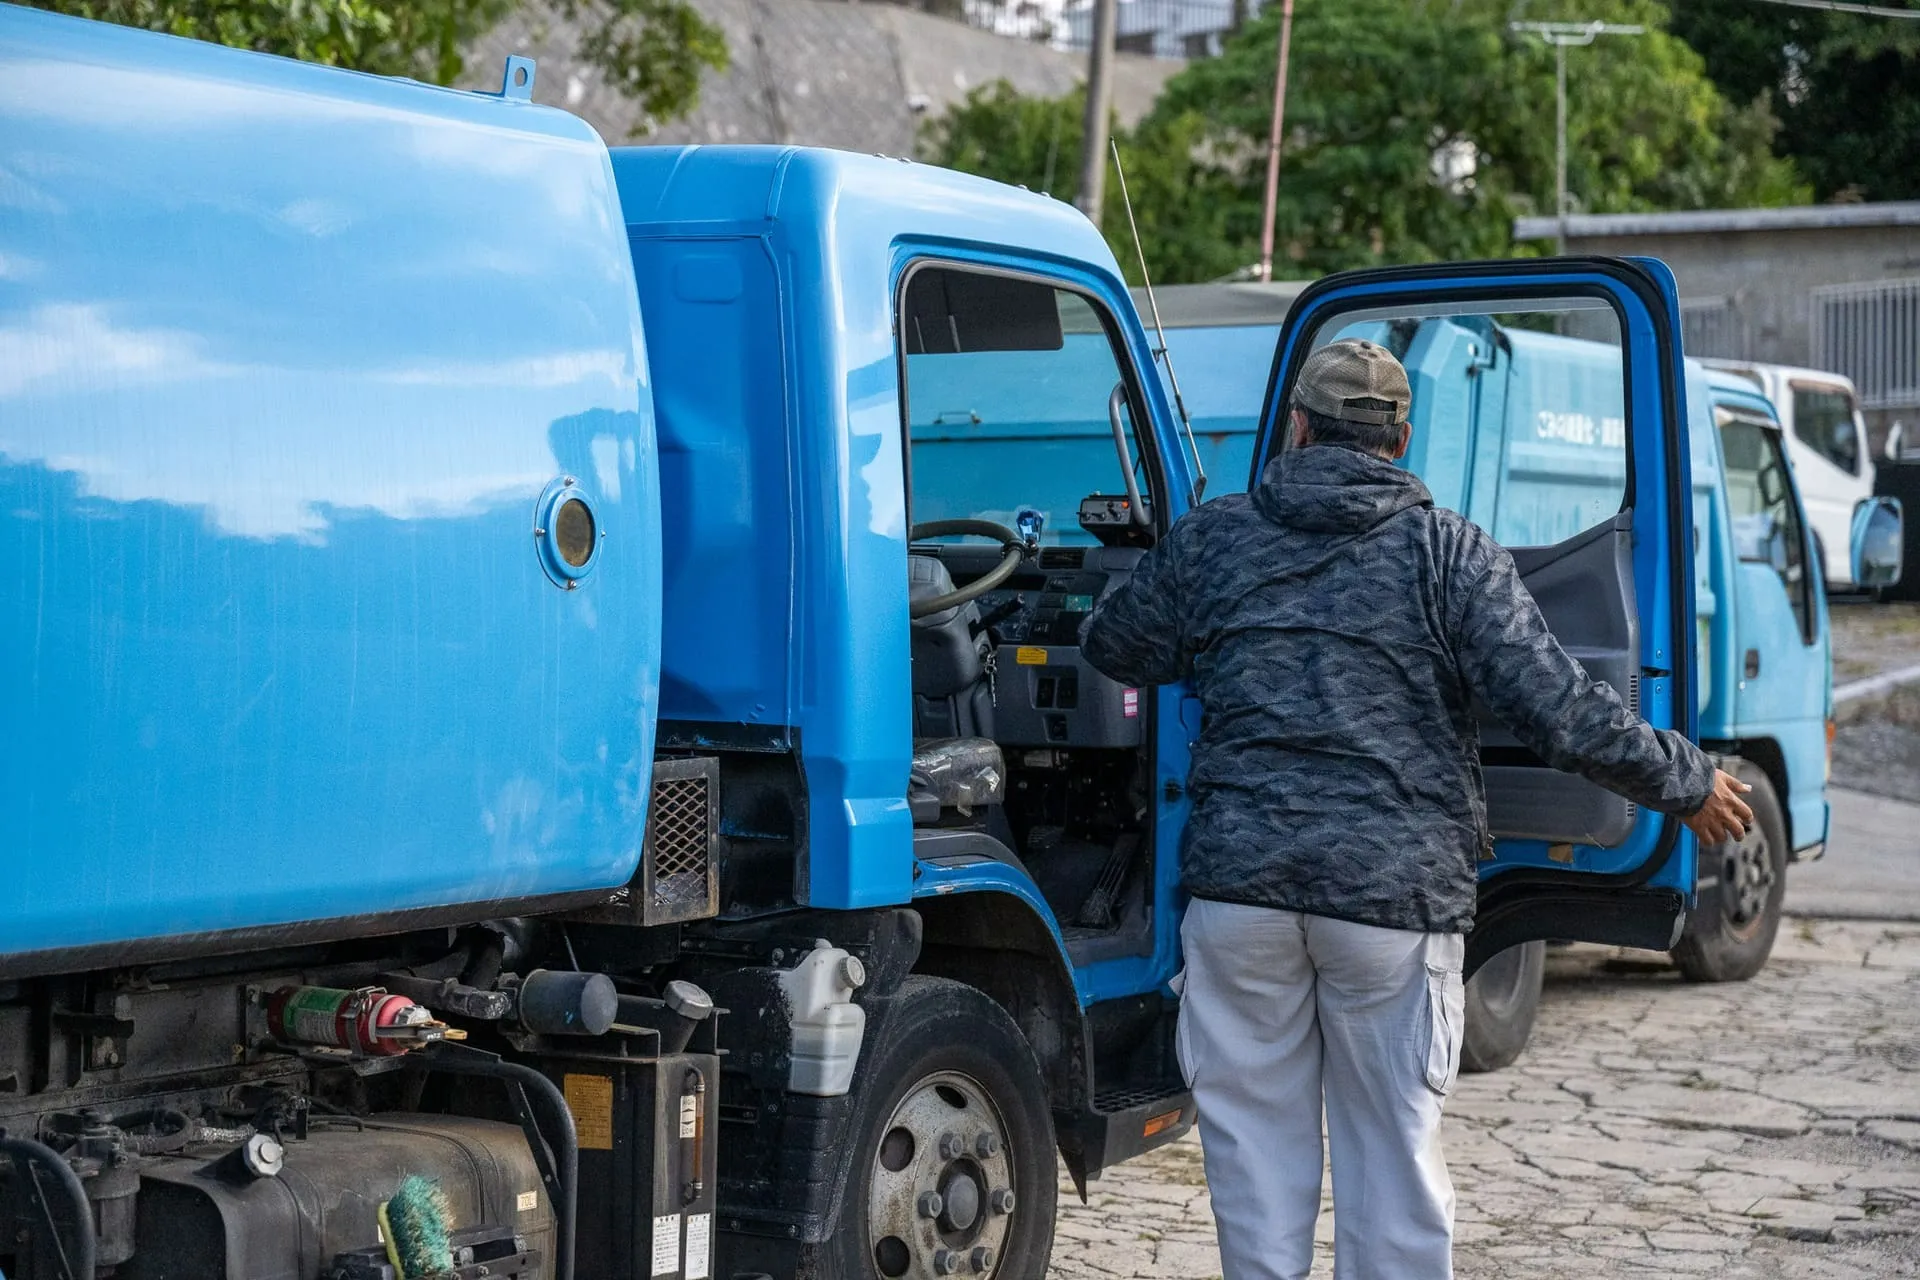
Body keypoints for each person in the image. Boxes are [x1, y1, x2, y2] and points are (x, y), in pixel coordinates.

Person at [1080, 338, 1754, 1280]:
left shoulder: (1217, 537)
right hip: (1388, 908)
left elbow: (1113, 643)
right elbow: (1560, 712)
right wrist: (1683, 782)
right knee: (1392, 1164)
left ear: (1299, 427)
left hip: (1243, 899)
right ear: (1400, 440)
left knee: (1253, 1162)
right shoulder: (1450, 552)